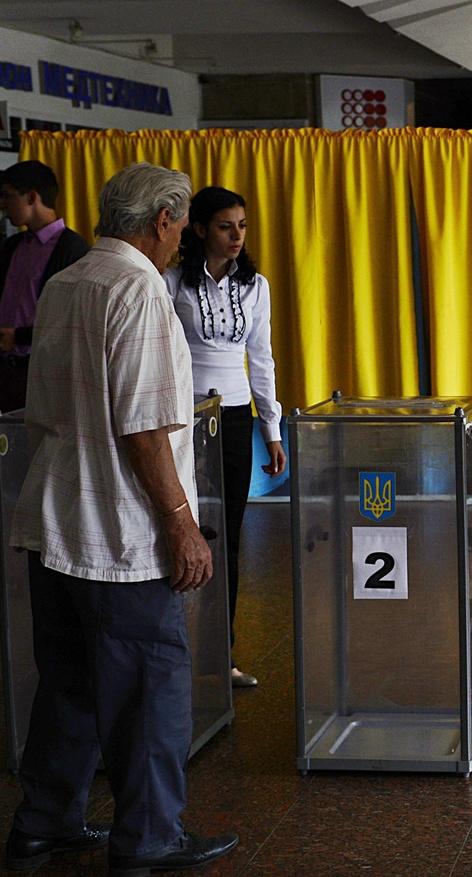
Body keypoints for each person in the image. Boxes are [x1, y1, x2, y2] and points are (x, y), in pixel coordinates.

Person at [4, 163, 238, 875]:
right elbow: (143, 427)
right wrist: (179, 520)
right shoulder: (138, 290)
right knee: (148, 689)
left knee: (69, 685)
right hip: (121, 538)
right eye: (179, 226)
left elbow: (43, 402)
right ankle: (148, 837)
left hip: (56, 519)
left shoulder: (68, 280)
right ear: (166, 220)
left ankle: (44, 821)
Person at [165, 186, 285, 689]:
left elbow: (262, 358)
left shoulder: (255, 285)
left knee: (227, 533)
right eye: (224, 226)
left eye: (242, 226)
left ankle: (221, 652)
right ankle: (171, 652)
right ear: (198, 229)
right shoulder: (170, 281)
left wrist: (271, 428)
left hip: (235, 417)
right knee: (177, 526)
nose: (236, 236)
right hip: (182, 414)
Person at [0, 161, 90, 412]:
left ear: (31, 197)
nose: (3, 205)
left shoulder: (72, 248)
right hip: (7, 370)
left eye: (8, 196)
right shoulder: (13, 245)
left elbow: (72, 317)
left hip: (43, 370)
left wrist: (19, 337)